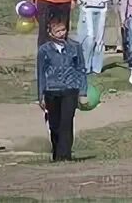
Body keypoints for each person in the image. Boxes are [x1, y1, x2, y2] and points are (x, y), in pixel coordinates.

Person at [37, 18, 88, 162]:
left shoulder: (75, 47)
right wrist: (40, 95)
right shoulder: (44, 50)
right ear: (50, 32)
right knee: (54, 124)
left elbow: (81, 68)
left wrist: (83, 91)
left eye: (63, 30)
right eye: (57, 31)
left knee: (66, 122)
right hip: (51, 90)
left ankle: (64, 155)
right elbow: (40, 72)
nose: (61, 34)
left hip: (70, 89)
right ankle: (56, 152)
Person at [75, 0, 116, 74]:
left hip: (101, 9)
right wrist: (85, 0)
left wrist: (103, 0)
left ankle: (96, 67)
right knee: (89, 37)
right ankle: (86, 66)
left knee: (99, 38)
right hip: (88, 8)